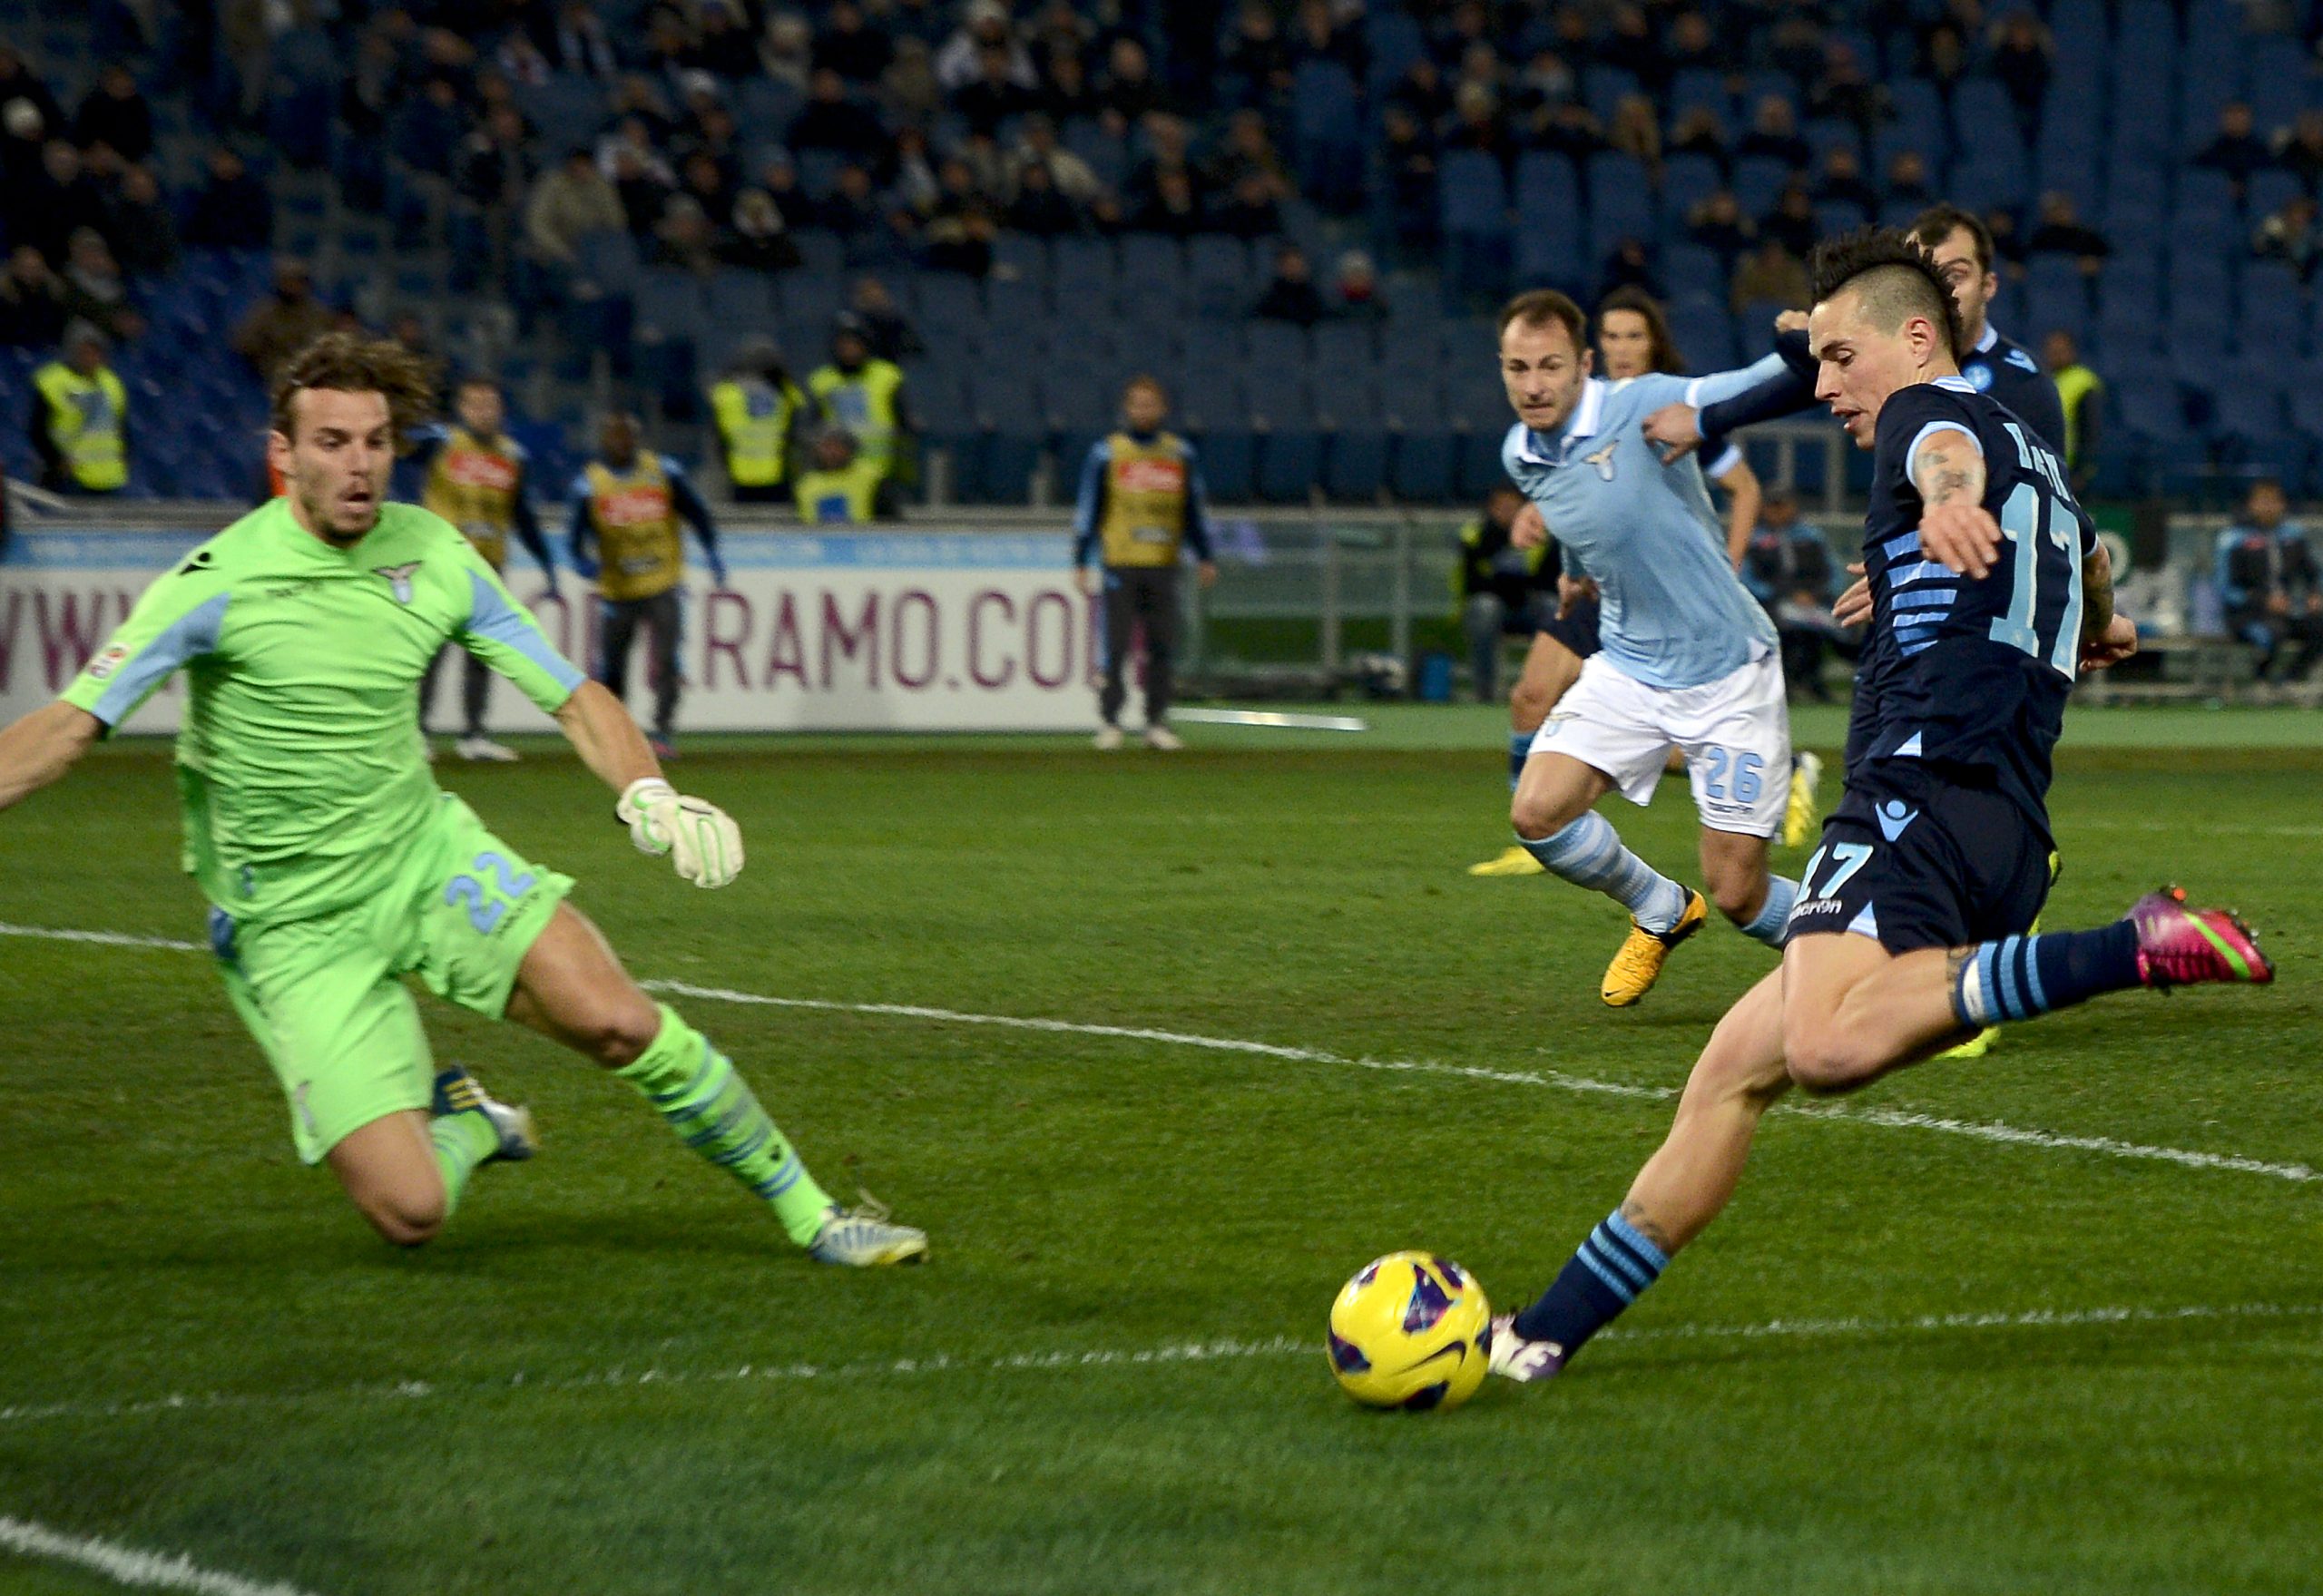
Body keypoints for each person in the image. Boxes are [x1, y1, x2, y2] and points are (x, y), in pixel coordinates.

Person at [1487, 229, 2270, 1386]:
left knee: (1821, 1046)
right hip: (2002, 824)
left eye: (1840, 357)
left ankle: (2133, 944)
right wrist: (2094, 618)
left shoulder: (1925, 412)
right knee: (1728, 1074)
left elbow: (1940, 452)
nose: (1825, 384)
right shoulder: (2033, 447)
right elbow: (2084, 555)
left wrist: (1944, 502)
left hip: (1916, 793)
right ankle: (1541, 1332)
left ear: (1913, 337)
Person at [0, 333, 925, 1265]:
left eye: (375, 442)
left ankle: (817, 1216)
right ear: (284, 453)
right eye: (331, 442)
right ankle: (474, 1121)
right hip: (293, 919)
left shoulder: (433, 552)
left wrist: (650, 790)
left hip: (422, 857)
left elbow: (572, 694)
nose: (359, 465)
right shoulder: (215, 583)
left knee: (619, 1021)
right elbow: (69, 726)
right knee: (412, 1213)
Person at [1492, 289, 1807, 1006]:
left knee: (1740, 893)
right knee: (1535, 813)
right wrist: (1574, 569)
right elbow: (1575, 504)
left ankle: (1875, 944)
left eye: (1549, 366)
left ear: (1584, 365)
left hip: (1727, 670)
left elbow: (1752, 384)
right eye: (1517, 368)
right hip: (1629, 666)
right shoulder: (1521, 451)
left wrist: (1801, 340)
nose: (1533, 385)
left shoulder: (1640, 402)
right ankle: (1661, 906)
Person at [409, 376, 557, 761]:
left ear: (501, 410)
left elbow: (522, 514)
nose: (483, 413)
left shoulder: (513, 456)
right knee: (430, 650)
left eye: (489, 405)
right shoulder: (442, 442)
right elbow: (399, 447)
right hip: (442, 563)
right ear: (461, 409)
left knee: (483, 652)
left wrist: (546, 562)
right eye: (474, 405)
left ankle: (474, 735)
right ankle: (416, 733)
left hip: (489, 567)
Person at [1071, 376, 1218, 751]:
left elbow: (1192, 509)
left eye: (1149, 404)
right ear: (1127, 408)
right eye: (1137, 404)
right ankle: (1111, 721)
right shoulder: (1107, 453)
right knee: (1116, 647)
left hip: (1164, 562)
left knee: (1161, 646)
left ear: (1162, 409)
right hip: (1121, 562)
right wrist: (1082, 558)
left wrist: (1205, 554)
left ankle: (1156, 722)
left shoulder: (1179, 454)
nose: (1143, 411)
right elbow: (1089, 508)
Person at [568, 413, 727, 759]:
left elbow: (697, 513)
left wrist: (712, 549)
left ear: (636, 440)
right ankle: (618, 733)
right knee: (613, 666)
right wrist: (582, 563)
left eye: (627, 436)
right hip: (618, 590)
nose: (621, 443)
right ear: (604, 441)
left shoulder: (663, 473)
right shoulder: (590, 485)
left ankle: (663, 731)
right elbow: (575, 540)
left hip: (662, 583)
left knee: (668, 659)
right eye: (615, 436)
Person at [1456, 483, 1558, 704]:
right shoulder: (1475, 537)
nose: (1506, 513)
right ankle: (1485, 692)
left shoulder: (1541, 537)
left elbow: (1549, 581)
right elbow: (1472, 583)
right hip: (1493, 609)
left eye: (1512, 507)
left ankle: (1548, 689)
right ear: (1491, 509)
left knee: (1552, 608)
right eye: (1501, 507)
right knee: (1485, 608)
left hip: (1530, 607)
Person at [1739, 488, 1844, 700]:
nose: (1778, 512)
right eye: (1773, 506)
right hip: (1771, 603)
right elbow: (1746, 577)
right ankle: (1785, 684)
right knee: (1784, 629)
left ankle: (1812, 681)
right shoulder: (1753, 539)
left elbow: (1834, 573)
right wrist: (1780, 595)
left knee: (1820, 630)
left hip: (1815, 601)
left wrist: (1820, 594)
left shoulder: (1811, 536)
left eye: (1783, 505)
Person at [2215, 478, 2323, 683]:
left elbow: (2311, 572)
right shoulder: (2234, 539)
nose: (2269, 507)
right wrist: (2265, 601)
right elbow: (2226, 589)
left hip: (2285, 611)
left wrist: (2314, 594)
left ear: (2283, 504)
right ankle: (2260, 681)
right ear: (2252, 504)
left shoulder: (2293, 535)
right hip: (2246, 614)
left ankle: (2290, 680)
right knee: (2271, 632)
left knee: (2318, 627)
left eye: (2274, 501)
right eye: (2263, 501)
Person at [808, 313, 915, 494]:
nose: (849, 349)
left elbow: (902, 425)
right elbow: (815, 428)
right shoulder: (822, 381)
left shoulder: (887, 377)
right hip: (836, 473)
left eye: (854, 343)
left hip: (880, 473)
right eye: (844, 343)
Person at [31, 320, 128, 494]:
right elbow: (37, 430)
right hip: (69, 477)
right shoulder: (52, 381)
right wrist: (56, 461)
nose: (92, 358)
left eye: (96, 352)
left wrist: (125, 456)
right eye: (86, 352)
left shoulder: (111, 383)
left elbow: (121, 427)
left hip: (109, 478)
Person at [708, 338, 808, 503]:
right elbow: (795, 431)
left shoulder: (726, 392)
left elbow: (718, 437)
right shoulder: (786, 392)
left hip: (740, 473)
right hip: (775, 473)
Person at [792, 424, 903, 524]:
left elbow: (890, 521)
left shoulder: (873, 478)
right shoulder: (805, 484)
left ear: (850, 449)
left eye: (837, 447)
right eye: (826, 446)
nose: (831, 453)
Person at [2041, 329, 2102, 495]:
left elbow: (2090, 430)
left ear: (2072, 351)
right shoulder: (2042, 380)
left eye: (2061, 351)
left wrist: (2083, 471)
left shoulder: (2083, 382)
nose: (2056, 355)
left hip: (2071, 467)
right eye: (2052, 351)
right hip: (2045, 464)